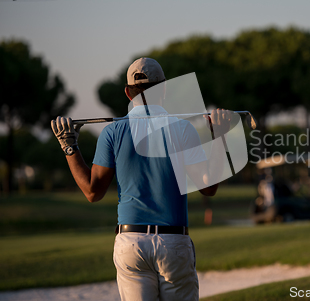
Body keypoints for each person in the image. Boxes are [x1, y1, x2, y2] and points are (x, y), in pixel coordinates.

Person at [51, 57, 230, 301]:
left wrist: (69, 147)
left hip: (130, 243)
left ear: (127, 93)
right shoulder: (182, 129)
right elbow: (208, 187)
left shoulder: (112, 131)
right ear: (164, 89)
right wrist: (219, 138)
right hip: (173, 241)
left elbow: (93, 192)